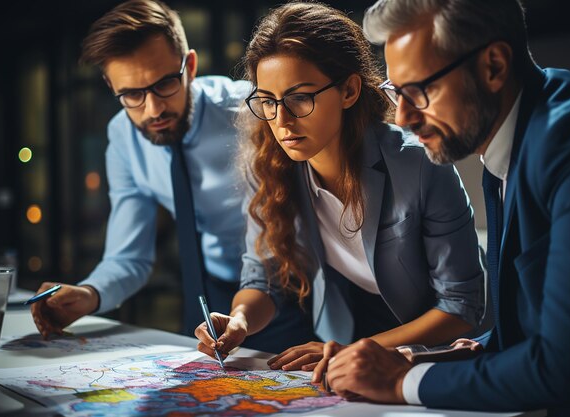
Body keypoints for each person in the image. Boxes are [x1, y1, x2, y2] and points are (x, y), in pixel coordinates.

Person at [317, 0, 570, 415]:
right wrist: (428, 357)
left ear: (493, 66)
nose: (402, 118)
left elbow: (568, 364)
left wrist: (402, 381)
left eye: (419, 91)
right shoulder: (514, 136)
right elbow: (541, 326)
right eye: (395, 93)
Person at [195, 1, 486, 371]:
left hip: (437, 349)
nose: (281, 120)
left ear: (349, 90)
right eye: (268, 101)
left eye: (300, 97)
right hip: (346, 336)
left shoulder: (420, 164)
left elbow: (460, 308)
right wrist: (240, 320)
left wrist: (356, 349)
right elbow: (263, 277)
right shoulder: (268, 165)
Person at [29, 0, 316, 354]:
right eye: (132, 94)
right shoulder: (123, 137)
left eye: (164, 83)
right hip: (207, 293)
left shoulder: (254, 113)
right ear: (110, 85)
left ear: (190, 66)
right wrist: (89, 294)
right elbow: (129, 255)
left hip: (289, 287)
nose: (153, 109)